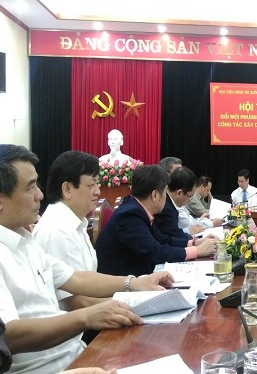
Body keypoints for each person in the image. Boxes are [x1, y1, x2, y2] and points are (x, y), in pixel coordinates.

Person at [0, 144, 174, 374]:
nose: (39, 195)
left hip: (72, 352)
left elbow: (76, 278)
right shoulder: (52, 231)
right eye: (30, 187)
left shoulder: (25, 241)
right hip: (50, 366)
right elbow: (8, 335)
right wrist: (88, 317)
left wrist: (135, 283)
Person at [95, 165, 217, 277]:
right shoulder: (130, 216)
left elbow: (163, 240)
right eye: (165, 192)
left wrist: (194, 243)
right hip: (121, 284)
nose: (166, 197)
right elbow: (156, 253)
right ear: (155, 195)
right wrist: (197, 251)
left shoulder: (138, 209)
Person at [34, 151, 104, 312]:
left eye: (98, 184)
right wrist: (131, 302)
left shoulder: (75, 223)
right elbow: (76, 302)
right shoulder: (57, 231)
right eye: (91, 185)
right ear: (67, 189)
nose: (98, 192)